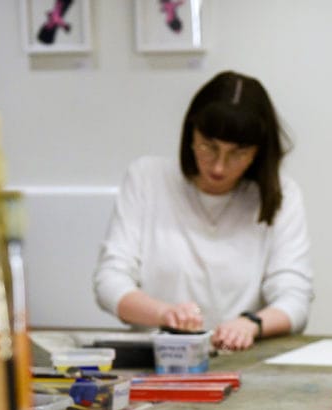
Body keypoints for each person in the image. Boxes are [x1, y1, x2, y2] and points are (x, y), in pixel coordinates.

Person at [93, 70, 314, 351]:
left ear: (258, 152)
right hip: (159, 357)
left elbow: (295, 297)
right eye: (209, 147)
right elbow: (109, 281)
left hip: (241, 358)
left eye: (238, 153)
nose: (219, 166)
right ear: (191, 133)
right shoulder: (146, 178)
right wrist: (164, 314)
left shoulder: (281, 194)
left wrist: (252, 324)